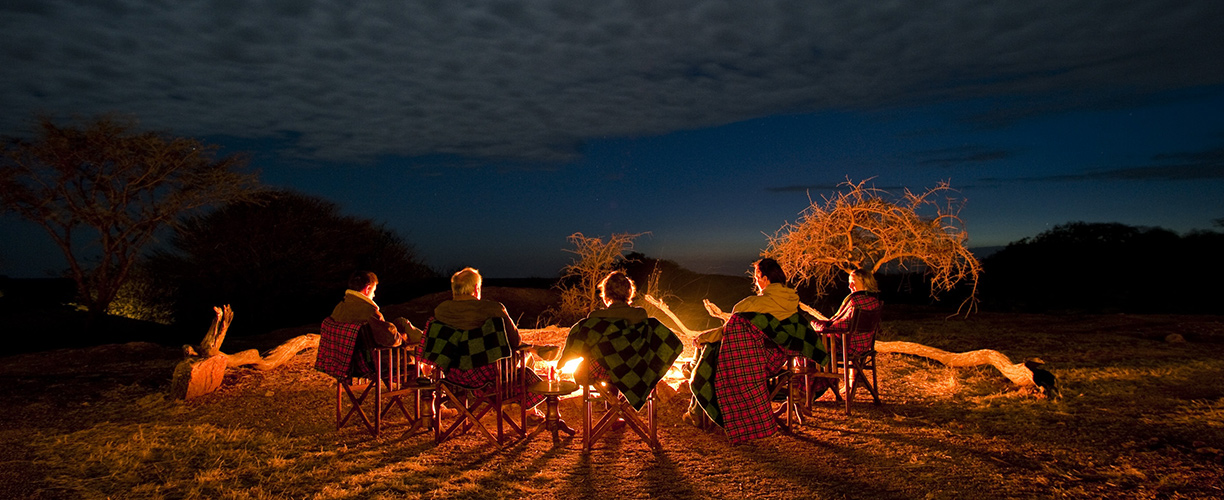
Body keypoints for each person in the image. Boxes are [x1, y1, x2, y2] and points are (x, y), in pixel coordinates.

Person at [696, 258, 801, 345]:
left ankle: (694, 367)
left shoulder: (751, 304)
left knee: (710, 343)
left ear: (765, 279)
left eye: (756, 279)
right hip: (777, 360)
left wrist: (701, 338)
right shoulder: (792, 302)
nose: (756, 283)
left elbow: (727, 332)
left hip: (750, 359)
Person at [432, 267, 521, 348]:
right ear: (476, 288)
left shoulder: (440, 310)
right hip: (485, 362)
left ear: (454, 289)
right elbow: (515, 341)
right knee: (527, 357)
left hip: (449, 363)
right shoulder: (494, 309)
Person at [329, 270, 417, 347]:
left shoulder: (339, 307)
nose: (374, 295)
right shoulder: (370, 313)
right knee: (409, 338)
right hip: (376, 358)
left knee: (401, 322)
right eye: (373, 291)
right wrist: (402, 337)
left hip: (349, 352)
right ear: (367, 289)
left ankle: (427, 347)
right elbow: (391, 340)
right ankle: (427, 352)